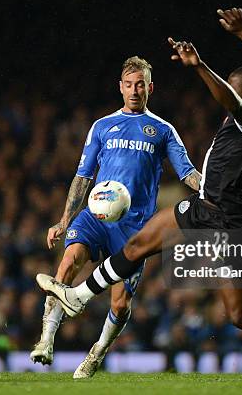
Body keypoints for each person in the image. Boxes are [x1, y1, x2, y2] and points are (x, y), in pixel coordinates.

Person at [37, 8, 242, 382]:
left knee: (240, 315)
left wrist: (200, 66)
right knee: (137, 245)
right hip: (208, 206)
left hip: (232, 220)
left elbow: (232, 103)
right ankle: (79, 297)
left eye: (234, 88)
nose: (228, 95)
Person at [31, 56, 201, 379]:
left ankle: (97, 352)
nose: (134, 90)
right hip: (96, 216)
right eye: (129, 84)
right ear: (120, 88)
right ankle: (46, 340)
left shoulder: (163, 131)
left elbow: (187, 172)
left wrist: (210, 188)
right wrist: (64, 219)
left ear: (150, 88)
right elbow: (82, 177)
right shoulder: (102, 127)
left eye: (140, 85)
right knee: (68, 263)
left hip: (135, 229)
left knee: (120, 305)